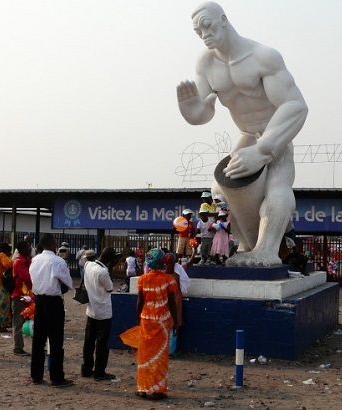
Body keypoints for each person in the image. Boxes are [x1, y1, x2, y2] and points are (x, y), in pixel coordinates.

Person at [177, 2, 308, 267]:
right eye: (197, 31)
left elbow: (295, 106)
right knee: (220, 189)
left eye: (207, 25)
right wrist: (193, 111)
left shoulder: (263, 57)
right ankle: (248, 245)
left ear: (223, 20)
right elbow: (204, 112)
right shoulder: (205, 63)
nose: (204, 34)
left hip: (274, 134)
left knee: (277, 187)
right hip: (247, 134)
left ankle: (268, 250)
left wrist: (263, 150)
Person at [29, 233, 74, 387]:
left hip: (39, 300)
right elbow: (68, 282)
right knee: (55, 340)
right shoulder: (58, 261)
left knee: (38, 339)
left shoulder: (35, 260)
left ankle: (36, 374)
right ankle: (56, 376)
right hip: (54, 301)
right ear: (52, 244)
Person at [135, 248, 178, 401]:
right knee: (160, 355)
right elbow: (172, 304)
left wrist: (137, 319)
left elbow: (140, 301)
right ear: (162, 262)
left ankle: (142, 388)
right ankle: (158, 390)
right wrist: (176, 322)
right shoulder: (169, 280)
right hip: (162, 321)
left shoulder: (142, 279)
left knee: (145, 354)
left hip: (146, 319)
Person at [81, 247, 118, 381]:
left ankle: (86, 368)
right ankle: (99, 371)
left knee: (89, 341)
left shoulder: (88, 265)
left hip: (91, 310)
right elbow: (110, 287)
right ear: (111, 260)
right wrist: (111, 268)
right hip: (103, 311)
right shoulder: (103, 272)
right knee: (102, 343)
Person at [11, 240, 34, 355]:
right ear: (22, 249)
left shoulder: (27, 261)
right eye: (28, 247)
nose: (30, 249)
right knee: (19, 324)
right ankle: (18, 348)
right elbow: (27, 278)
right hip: (20, 297)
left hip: (27, 296)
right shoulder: (19, 262)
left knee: (32, 322)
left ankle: (37, 346)